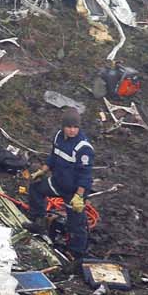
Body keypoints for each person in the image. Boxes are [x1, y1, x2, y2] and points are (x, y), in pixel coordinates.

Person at [28, 107, 94, 261]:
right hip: (57, 183)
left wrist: (79, 196)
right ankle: (39, 222)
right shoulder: (58, 137)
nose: (72, 130)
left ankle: (77, 254)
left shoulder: (83, 148)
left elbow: (85, 175)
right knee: (36, 188)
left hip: (73, 191)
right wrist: (42, 171)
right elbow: (53, 157)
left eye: (75, 127)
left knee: (76, 224)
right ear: (63, 127)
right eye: (69, 127)